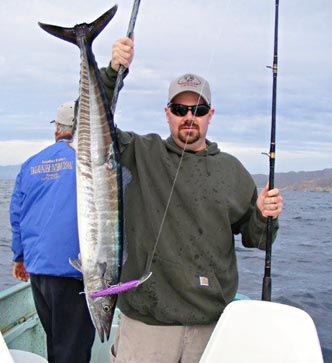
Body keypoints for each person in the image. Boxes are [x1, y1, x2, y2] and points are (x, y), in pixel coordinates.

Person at [102, 39, 284, 363]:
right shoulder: (139, 153)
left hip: (211, 327)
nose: (189, 117)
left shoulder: (232, 170)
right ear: (167, 113)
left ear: (210, 115)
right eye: (180, 109)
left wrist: (264, 215)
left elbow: (259, 239)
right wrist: (113, 72)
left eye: (198, 110)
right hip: (147, 327)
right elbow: (88, 125)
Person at [9, 37, 134, 363]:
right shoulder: (87, 162)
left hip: (39, 274)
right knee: (72, 353)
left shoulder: (30, 164)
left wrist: (19, 258)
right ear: (79, 127)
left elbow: (17, 214)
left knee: (56, 345)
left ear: (58, 129)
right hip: (75, 276)